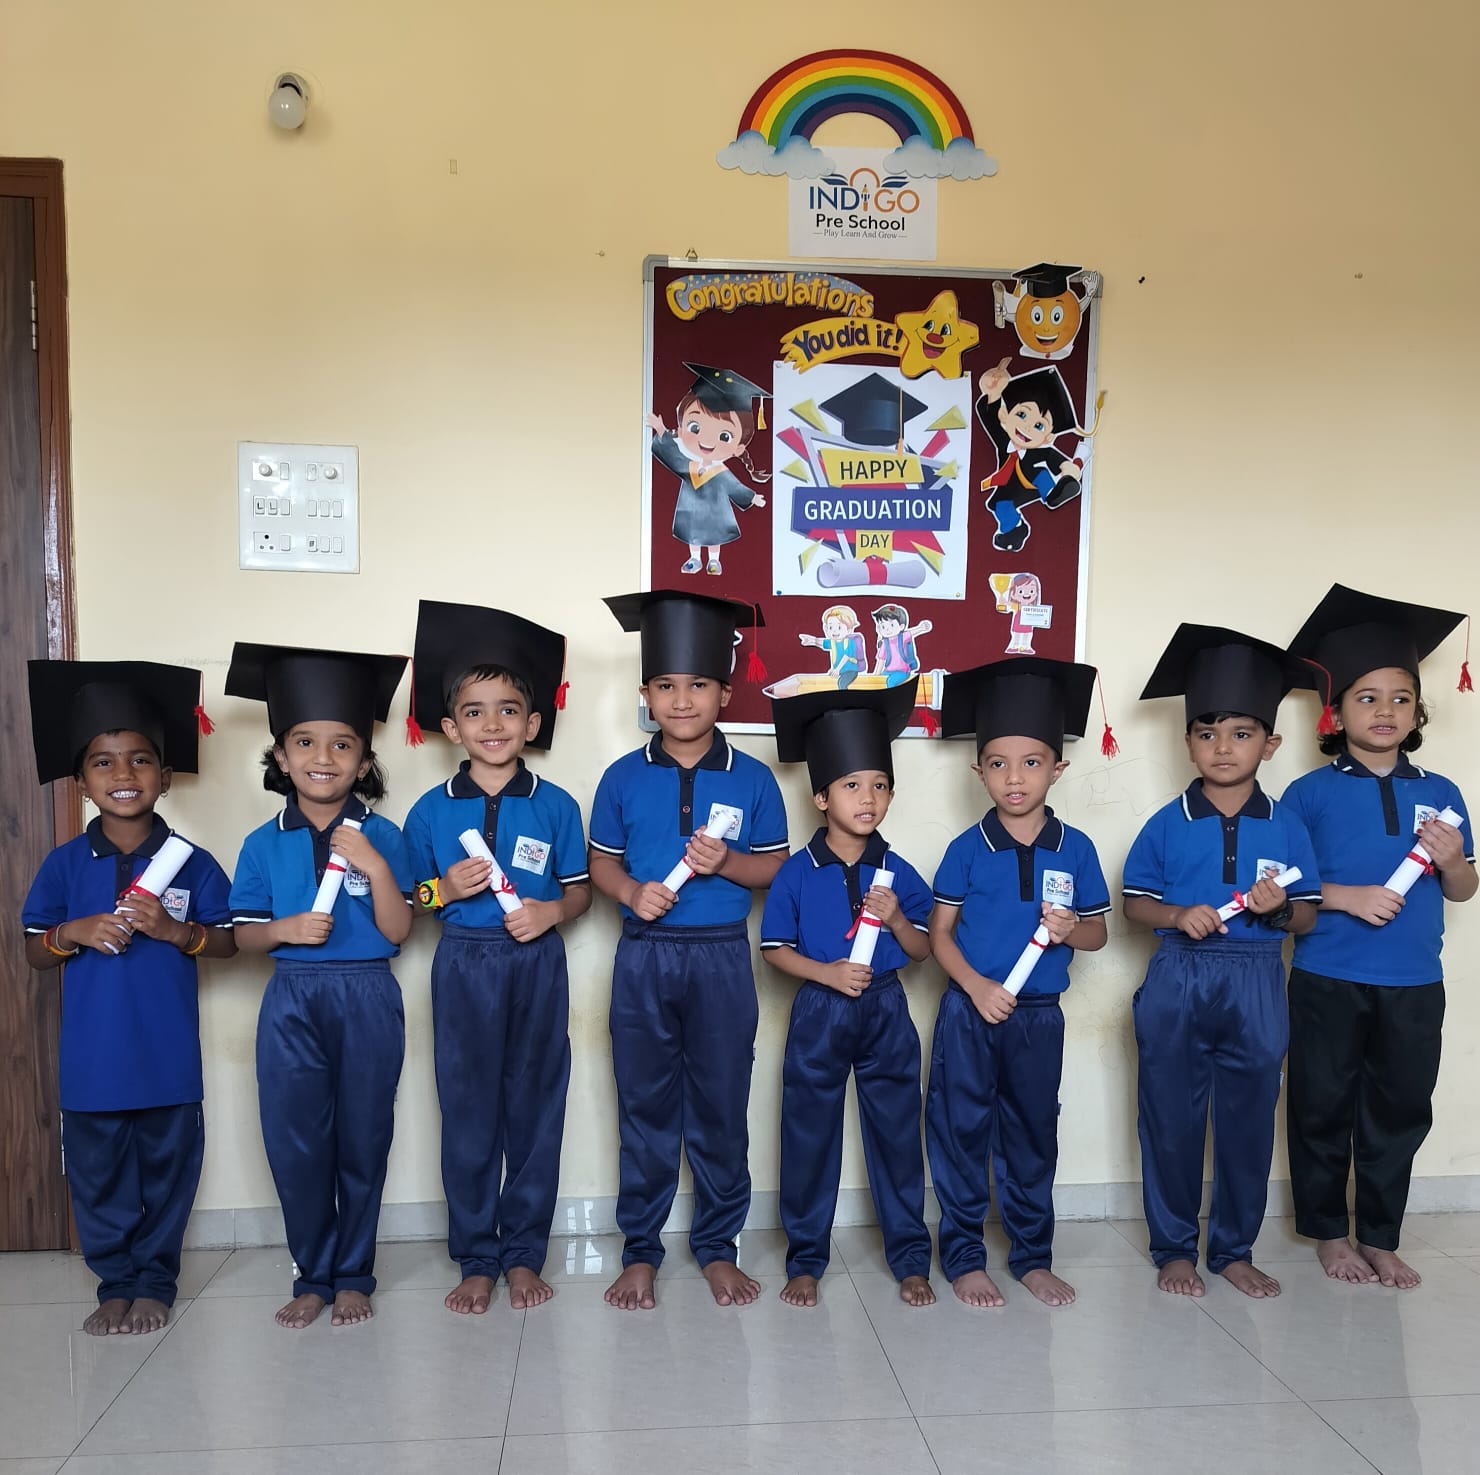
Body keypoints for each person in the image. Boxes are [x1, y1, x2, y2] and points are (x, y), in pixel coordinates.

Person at [22, 661, 235, 1336]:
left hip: (167, 1054)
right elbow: (33, 948)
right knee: (98, 1174)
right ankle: (115, 1280)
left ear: (165, 777)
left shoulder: (191, 860)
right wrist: (73, 931)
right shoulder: (63, 864)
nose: (124, 774)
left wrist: (174, 930)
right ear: (82, 782)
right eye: (104, 762)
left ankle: (155, 1280)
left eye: (141, 759)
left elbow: (228, 943)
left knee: (168, 1172)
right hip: (93, 1060)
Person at [590, 590, 789, 1310]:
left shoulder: (754, 777)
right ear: (645, 693)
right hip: (643, 953)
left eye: (699, 684)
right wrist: (630, 891)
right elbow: (601, 861)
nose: (682, 700)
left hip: (719, 958)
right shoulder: (621, 776)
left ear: (725, 691)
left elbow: (775, 866)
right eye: (666, 686)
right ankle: (640, 1251)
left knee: (719, 1103)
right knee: (643, 1104)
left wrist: (725, 863)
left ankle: (716, 1246)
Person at [1283, 585, 1476, 1289]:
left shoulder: (1447, 792)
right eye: (1367, 697)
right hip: (1328, 976)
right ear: (1335, 712)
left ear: (1418, 711)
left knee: (1399, 1108)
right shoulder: (1309, 794)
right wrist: (1349, 896)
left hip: (1415, 983)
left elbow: (1462, 888)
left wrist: (1455, 862)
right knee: (1321, 1102)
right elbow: (1289, 891)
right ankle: (1331, 1233)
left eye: (1400, 697)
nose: (1385, 710)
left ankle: (1383, 1234)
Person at [402, 600, 591, 1316]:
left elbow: (578, 895)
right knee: (469, 1107)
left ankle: (523, 1253)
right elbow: (410, 899)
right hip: (463, 962)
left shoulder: (556, 804)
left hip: (536, 963)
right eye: (474, 712)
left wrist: (551, 910)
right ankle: (477, 1253)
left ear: (532, 724)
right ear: (450, 727)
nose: (492, 725)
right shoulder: (429, 809)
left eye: (508, 710)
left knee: (536, 1106)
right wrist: (441, 887)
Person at [1123, 625, 1323, 1300]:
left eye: (1241, 734)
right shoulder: (1166, 821)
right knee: (1170, 1117)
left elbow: (1308, 915)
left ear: (1269, 743)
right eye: (1207, 733)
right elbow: (1134, 905)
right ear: (1187, 742)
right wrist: (1178, 914)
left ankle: (1233, 1248)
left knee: (1247, 1118)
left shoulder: (1289, 825)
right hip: (1179, 971)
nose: (1223, 747)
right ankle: (1175, 1247)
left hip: (1258, 977)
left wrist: (1274, 910)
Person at [226, 642, 413, 1330]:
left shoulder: (384, 833)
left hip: (367, 994)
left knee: (364, 1134)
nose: (323, 757)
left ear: (364, 761)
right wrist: (285, 929)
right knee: (297, 1139)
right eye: (304, 742)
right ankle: (312, 1271)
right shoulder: (261, 841)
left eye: (342, 744)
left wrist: (374, 863)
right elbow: (242, 933)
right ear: (280, 757)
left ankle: (355, 1271)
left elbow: (397, 930)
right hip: (293, 1000)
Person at [925, 657, 1110, 1308]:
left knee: (1033, 1133)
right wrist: (975, 987)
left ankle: (1032, 1255)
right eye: (998, 763)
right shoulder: (965, 848)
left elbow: (1098, 934)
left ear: (1058, 767)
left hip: (1038, 1017)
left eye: (1031, 762)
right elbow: (940, 934)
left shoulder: (1077, 847)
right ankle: (965, 1256)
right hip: (971, 1011)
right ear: (978, 770)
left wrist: (1066, 931)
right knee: (961, 1131)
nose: (1014, 777)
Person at [762, 680, 935, 1309]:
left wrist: (894, 920)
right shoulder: (796, 873)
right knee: (808, 1131)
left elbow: (924, 950)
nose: (868, 798)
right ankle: (806, 1258)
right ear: (820, 797)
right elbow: (774, 950)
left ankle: (910, 1258)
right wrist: (827, 974)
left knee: (895, 1131)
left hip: (886, 1008)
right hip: (821, 1008)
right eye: (851, 786)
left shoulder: (899, 871)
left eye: (879, 785)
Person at [648, 363, 770, 576]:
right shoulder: (688, 466)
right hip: (691, 511)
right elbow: (670, 456)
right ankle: (695, 559)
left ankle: (714, 561)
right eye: (695, 427)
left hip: (716, 514)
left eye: (725, 436)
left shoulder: (720, 472)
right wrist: (661, 431)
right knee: (692, 536)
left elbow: (735, 487)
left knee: (715, 537)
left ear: (739, 447)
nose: (705, 440)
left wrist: (751, 498)